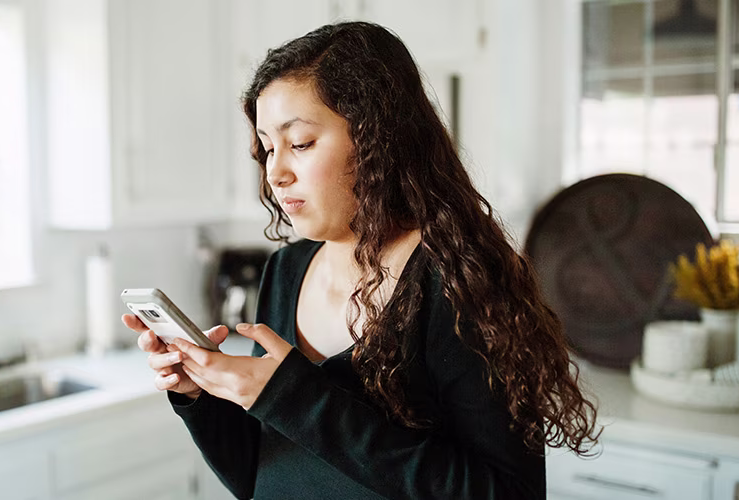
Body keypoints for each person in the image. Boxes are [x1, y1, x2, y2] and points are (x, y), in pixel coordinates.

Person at [122, 21, 600, 500]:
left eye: (301, 143)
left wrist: (293, 398)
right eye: (268, 147)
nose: (275, 172)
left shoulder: (455, 282)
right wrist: (197, 397)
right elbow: (260, 476)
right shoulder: (286, 272)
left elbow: (507, 493)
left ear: (379, 139)